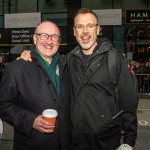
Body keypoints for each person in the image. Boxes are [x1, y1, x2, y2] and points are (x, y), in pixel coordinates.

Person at [18, 8, 138, 150]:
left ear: (98, 29)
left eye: (90, 26)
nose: (85, 31)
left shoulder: (114, 59)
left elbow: (128, 101)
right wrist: (30, 54)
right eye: (80, 27)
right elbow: (46, 58)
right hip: (75, 141)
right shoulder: (68, 60)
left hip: (106, 141)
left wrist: (128, 142)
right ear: (74, 32)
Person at [0, 21, 71, 150]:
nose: (49, 41)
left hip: (65, 143)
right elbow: (3, 105)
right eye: (44, 35)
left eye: (54, 36)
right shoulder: (16, 68)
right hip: (32, 144)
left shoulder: (68, 66)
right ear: (35, 38)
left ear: (59, 41)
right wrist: (30, 120)